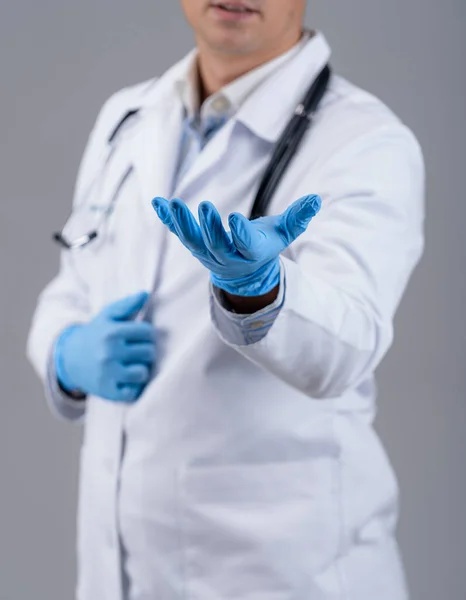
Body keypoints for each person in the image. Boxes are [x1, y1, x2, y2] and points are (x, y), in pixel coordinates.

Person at [27, 1, 425, 599]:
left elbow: (348, 343)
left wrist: (259, 290)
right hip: (119, 568)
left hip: (281, 573)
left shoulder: (366, 141)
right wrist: (63, 351)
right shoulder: (129, 116)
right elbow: (76, 277)